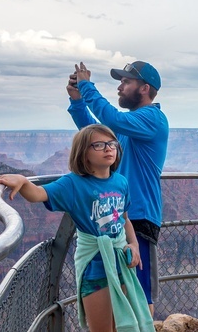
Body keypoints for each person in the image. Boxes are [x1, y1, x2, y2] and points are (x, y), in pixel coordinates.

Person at [0, 125, 154, 331]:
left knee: (121, 324)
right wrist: (22, 180)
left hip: (120, 261)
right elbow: (38, 194)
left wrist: (134, 244)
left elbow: (125, 218)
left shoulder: (121, 182)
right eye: (99, 145)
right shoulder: (73, 184)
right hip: (94, 266)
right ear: (84, 153)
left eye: (112, 144)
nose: (108, 149)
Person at [66, 61, 169, 316]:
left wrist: (87, 86)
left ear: (144, 88)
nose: (120, 88)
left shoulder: (152, 118)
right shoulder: (129, 126)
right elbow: (93, 135)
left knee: (139, 293)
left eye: (126, 82)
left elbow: (110, 118)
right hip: (118, 217)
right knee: (122, 290)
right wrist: (78, 101)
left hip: (139, 217)